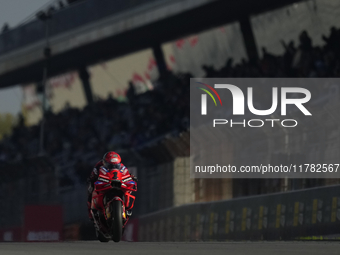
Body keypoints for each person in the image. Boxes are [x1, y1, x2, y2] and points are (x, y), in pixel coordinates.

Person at [87, 151, 137, 221]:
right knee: (90, 191)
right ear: (105, 162)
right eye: (111, 165)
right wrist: (92, 179)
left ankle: (127, 208)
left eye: (116, 165)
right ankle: (92, 212)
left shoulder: (122, 166)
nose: (114, 167)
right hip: (105, 182)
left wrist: (132, 177)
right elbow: (92, 175)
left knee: (128, 190)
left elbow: (126, 173)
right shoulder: (98, 165)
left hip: (117, 181)